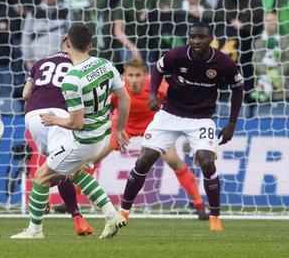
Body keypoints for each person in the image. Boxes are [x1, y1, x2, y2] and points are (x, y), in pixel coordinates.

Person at [119, 22, 244, 232]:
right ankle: (123, 212)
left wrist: (231, 123)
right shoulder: (177, 54)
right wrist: (152, 94)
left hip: (201, 118)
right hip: (169, 114)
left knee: (206, 161)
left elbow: (238, 87)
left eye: (201, 37)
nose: (196, 41)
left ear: (210, 38)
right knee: (144, 160)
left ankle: (215, 217)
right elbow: (158, 69)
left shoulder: (223, 63)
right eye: (193, 36)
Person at [11, 24, 131, 240]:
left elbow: (74, 122)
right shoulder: (104, 64)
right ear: (90, 45)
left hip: (72, 134)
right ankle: (110, 215)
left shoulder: (70, 78)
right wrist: (120, 129)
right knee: (72, 172)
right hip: (99, 136)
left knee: (41, 177)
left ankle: (34, 231)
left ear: (68, 43)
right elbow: (124, 98)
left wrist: (54, 119)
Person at [93, 58, 209, 220]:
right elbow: (100, 106)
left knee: (173, 160)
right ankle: (71, 201)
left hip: (153, 125)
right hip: (123, 124)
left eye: (138, 75)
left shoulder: (158, 86)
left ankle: (199, 204)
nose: (134, 80)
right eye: (130, 75)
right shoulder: (117, 85)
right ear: (124, 75)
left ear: (146, 75)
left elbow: (179, 103)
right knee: (94, 157)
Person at [22, 37, 93, 236]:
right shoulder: (81, 64)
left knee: (58, 165)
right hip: (59, 116)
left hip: (33, 117)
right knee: (66, 167)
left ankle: (42, 194)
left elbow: (26, 93)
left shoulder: (40, 62)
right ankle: (81, 217)